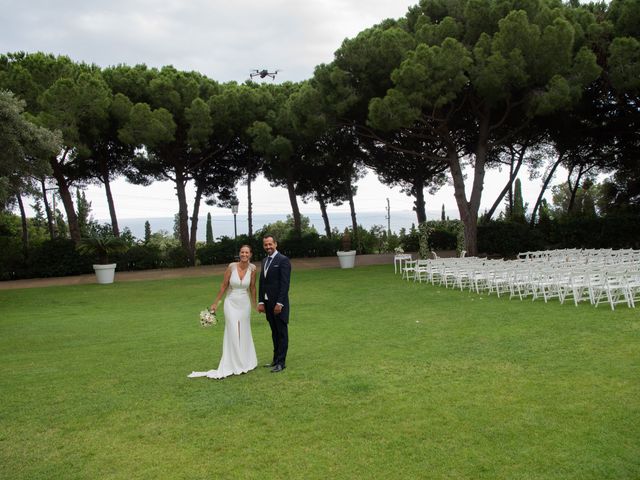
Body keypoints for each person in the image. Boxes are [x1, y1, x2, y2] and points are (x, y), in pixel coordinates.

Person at [188, 245, 258, 379]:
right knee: (232, 330)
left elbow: (253, 287)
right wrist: (216, 303)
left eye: (246, 252)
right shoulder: (231, 267)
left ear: (250, 254)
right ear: (240, 254)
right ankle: (232, 362)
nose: (244, 254)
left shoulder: (253, 269)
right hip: (231, 303)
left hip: (244, 304)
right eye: (242, 252)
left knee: (244, 331)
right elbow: (224, 285)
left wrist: (254, 303)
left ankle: (245, 361)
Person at [257, 234, 291, 373]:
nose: (268, 247)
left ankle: (281, 363)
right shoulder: (264, 260)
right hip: (267, 304)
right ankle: (275, 360)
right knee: (274, 333)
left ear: (275, 244)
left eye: (270, 244)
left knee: (282, 333)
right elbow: (262, 282)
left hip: (279, 305)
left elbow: (285, 284)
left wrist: (279, 303)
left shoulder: (283, 260)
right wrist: (261, 301)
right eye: (266, 245)